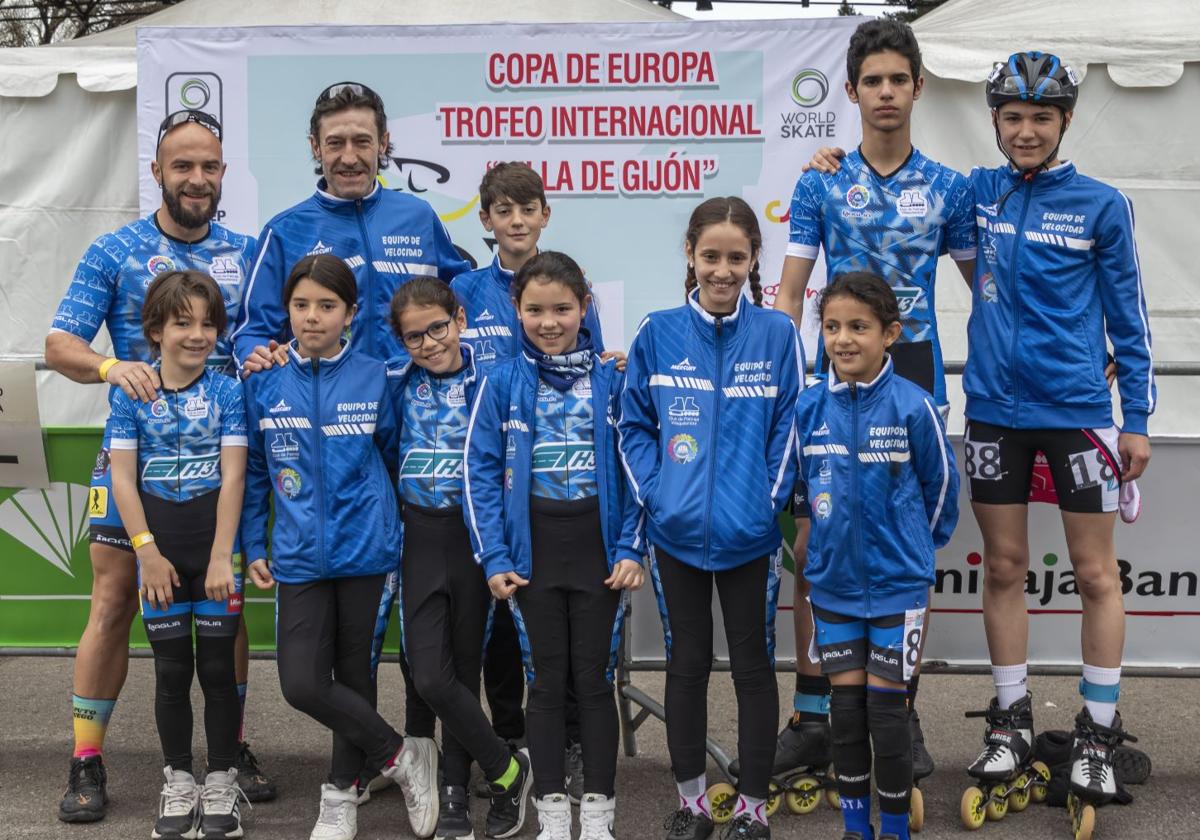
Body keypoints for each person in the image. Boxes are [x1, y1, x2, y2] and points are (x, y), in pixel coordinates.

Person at [232, 79, 467, 785]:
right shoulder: (287, 227)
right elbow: (250, 326)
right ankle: (373, 765)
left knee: (423, 624)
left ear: (384, 144)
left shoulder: (418, 217)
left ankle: (427, 755)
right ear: (314, 148)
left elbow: (470, 294)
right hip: (332, 448)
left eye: (362, 139)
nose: (349, 153)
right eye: (335, 141)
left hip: (419, 440)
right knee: (347, 643)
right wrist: (258, 352)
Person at [45, 109, 273, 823]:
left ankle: (229, 753)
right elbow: (58, 346)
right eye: (183, 166)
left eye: (208, 166)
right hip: (134, 466)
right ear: (158, 173)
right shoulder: (113, 250)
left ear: (223, 173)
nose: (196, 179)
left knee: (224, 611)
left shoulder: (247, 250)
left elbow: (280, 331)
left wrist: (267, 356)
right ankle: (86, 761)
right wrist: (114, 365)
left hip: (220, 465)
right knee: (113, 604)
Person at [770, 19, 975, 783]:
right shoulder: (820, 179)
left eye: (899, 79)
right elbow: (791, 294)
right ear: (852, 92)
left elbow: (987, 292)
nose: (886, 93)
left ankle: (900, 708)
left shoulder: (949, 187)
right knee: (813, 544)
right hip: (833, 371)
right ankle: (815, 712)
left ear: (918, 87)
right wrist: (783, 385)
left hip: (913, 372)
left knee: (904, 545)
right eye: (872, 81)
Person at [962, 52, 1153, 817]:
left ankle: (1098, 734)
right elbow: (895, 185)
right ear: (997, 121)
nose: (1027, 129)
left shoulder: (1102, 204)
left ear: (1065, 120)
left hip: (1077, 411)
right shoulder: (976, 192)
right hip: (992, 413)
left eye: (1043, 116)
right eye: (1014, 116)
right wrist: (832, 160)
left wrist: (1136, 416)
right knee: (1004, 565)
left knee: (1095, 574)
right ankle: (1010, 722)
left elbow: (1129, 318)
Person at [619, 198, 802, 840]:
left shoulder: (778, 334)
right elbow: (634, 423)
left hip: (751, 538)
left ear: (754, 261)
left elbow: (790, 430)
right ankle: (693, 802)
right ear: (690, 257)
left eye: (736, 258)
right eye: (710, 257)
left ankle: (752, 808)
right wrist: (659, 493)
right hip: (675, 538)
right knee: (686, 666)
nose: (721, 271)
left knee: (754, 670)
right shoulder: (657, 331)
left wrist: (764, 504)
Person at [240, 255, 439, 840]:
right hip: (298, 554)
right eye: (300, 305)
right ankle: (403, 756)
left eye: (327, 306)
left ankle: (340, 793)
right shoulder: (264, 382)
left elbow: (398, 454)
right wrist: (253, 540)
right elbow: (253, 470)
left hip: (368, 550)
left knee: (355, 677)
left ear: (351, 313)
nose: (312, 317)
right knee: (302, 682)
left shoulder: (380, 375)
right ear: (287, 311)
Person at [464, 251, 645, 840]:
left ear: (585, 307)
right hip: (530, 556)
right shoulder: (500, 381)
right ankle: (551, 816)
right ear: (516, 310)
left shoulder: (614, 380)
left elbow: (637, 471)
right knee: (544, 682)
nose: (549, 321)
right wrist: (494, 556)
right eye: (535, 310)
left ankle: (597, 814)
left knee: (591, 683)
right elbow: (479, 474)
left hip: (598, 554)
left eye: (562, 309)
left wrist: (630, 547)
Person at [451, 161, 609, 801]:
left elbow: (590, 365)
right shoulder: (462, 287)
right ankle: (511, 740)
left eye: (527, 209)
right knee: (497, 637)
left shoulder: (572, 284)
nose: (516, 221)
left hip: (549, 491)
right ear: (485, 220)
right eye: (502, 210)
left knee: (564, 647)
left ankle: (569, 746)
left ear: (545, 213)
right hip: (480, 480)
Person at [794, 272, 958, 840]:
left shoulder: (915, 406)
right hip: (834, 587)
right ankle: (855, 829)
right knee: (845, 714)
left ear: (889, 334)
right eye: (833, 326)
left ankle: (895, 829)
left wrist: (913, 550)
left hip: (897, 587)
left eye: (859, 327)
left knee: (887, 716)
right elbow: (799, 486)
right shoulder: (809, 406)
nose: (843, 339)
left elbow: (941, 492)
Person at [385, 278, 533, 840]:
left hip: (476, 541)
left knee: (464, 671)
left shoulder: (496, 380)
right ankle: (506, 768)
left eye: (437, 328)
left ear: (461, 318)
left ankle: (453, 796)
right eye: (413, 336)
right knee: (430, 675)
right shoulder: (396, 382)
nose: (427, 343)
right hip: (419, 537)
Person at [107, 271, 250, 840]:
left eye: (208, 323)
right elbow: (122, 481)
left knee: (218, 672)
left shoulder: (227, 390)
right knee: (171, 673)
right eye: (182, 323)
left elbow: (234, 476)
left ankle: (221, 779)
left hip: (214, 555)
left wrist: (222, 556)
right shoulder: (132, 391)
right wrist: (146, 553)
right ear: (155, 330)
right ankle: (179, 781)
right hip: (158, 556)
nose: (197, 334)